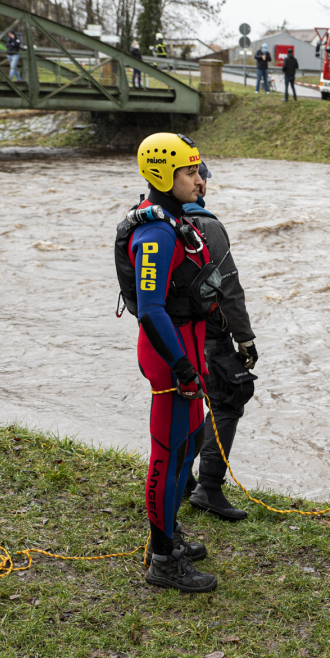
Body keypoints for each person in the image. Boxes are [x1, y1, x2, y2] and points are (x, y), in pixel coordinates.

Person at [121, 132, 220, 592]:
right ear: (163, 175)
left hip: (188, 352)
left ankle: (170, 533)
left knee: (185, 450)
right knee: (168, 454)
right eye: (190, 172)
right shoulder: (157, 233)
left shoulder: (178, 219)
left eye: (199, 170)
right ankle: (163, 559)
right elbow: (150, 308)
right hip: (170, 359)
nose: (200, 180)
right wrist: (181, 367)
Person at [178, 171, 258, 522]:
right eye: (196, 176)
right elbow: (229, 286)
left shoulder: (157, 222)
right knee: (227, 401)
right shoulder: (207, 226)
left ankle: (180, 480)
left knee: (188, 405)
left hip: (171, 335)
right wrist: (245, 337)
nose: (200, 182)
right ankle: (208, 487)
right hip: (209, 335)